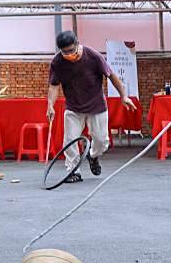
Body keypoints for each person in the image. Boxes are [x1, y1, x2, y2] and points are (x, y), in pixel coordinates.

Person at [46, 31, 136, 184]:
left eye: (71, 50)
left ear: (77, 43)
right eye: (64, 52)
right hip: (73, 106)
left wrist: (124, 96)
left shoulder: (93, 56)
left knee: (102, 141)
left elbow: (112, 76)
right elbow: (54, 86)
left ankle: (93, 156)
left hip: (96, 105)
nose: (68, 54)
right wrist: (50, 105)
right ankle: (73, 171)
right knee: (70, 141)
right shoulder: (57, 62)